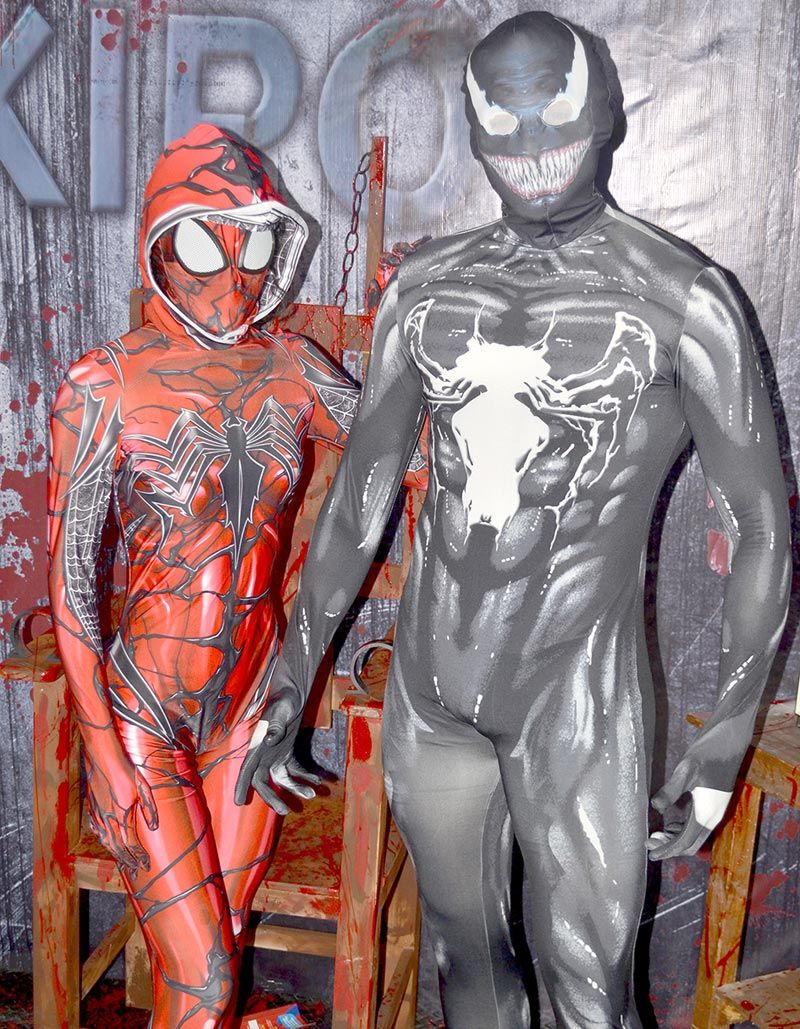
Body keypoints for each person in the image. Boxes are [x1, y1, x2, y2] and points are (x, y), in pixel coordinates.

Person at [236, 13, 791, 1029]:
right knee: (468, 965)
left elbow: (758, 525)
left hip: (575, 701)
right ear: (472, 127)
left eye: (556, 121)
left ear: (608, 114)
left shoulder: (682, 301)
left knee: (589, 991)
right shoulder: (424, 290)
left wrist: (723, 734)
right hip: (432, 690)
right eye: (505, 126)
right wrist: (292, 668)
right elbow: (360, 494)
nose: (532, 149)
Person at [47, 122, 362, 1028]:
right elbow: (71, 588)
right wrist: (104, 754)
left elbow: (406, 454)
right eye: (202, 244)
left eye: (253, 245)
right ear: (160, 244)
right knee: (205, 983)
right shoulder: (103, 385)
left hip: (251, 710)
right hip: (147, 712)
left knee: (216, 951)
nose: (233, 275)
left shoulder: (294, 367)